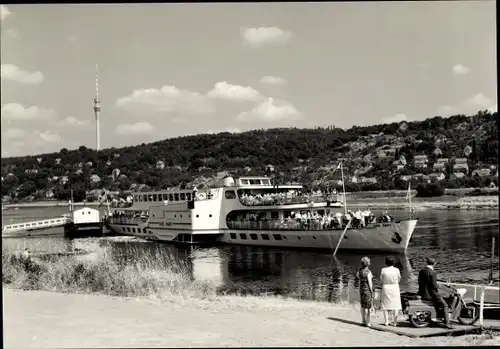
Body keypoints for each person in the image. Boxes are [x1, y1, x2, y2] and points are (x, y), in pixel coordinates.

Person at [418, 257, 453, 329]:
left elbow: (420, 281)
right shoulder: (433, 273)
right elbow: (434, 286)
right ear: (434, 264)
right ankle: (447, 323)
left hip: (423, 292)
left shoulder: (421, 271)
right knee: (445, 305)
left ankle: (437, 317)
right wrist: (441, 286)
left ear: (427, 263)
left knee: (438, 303)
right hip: (431, 294)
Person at [380, 256, 402, 326]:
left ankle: (386, 321)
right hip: (395, 287)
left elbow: (381, 280)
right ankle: (395, 322)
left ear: (386, 263)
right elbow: (399, 280)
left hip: (386, 287)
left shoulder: (383, 270)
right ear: (393, 262)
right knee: (395, 305)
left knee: (385, 305)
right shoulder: (397, 270)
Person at [356, 256, 374, 327]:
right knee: (368, 307)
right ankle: (368, 322)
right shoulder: (368, 272)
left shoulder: (360, 271)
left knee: (363, 306)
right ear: (368, 263)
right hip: (367, 291)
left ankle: (363, 320)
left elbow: (357, 275)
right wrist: (372, 291)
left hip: (361, 289)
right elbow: (370, 283)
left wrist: (362, 280)